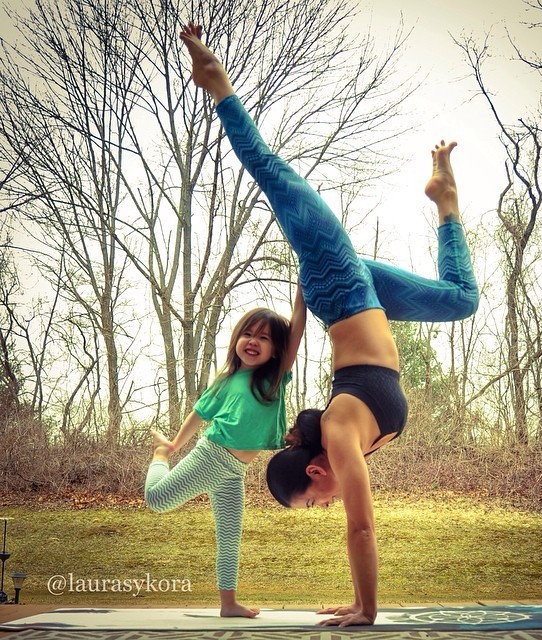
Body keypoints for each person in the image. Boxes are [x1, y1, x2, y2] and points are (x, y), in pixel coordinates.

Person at [179, 22, 479, 627]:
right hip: (354, 293)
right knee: (459, 301)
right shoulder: (346, 438)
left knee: (273, 175)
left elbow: (361, 529)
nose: (324, 507)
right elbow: (360, 521)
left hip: (337, 281)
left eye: (313, 501)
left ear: (317, 471)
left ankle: (220, 90)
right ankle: (445, 199)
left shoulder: (341, 435)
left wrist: (366, 611)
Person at [144, 298, 305, 618]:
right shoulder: (226, 380)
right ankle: (158, 456)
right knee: (156, 498)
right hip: (211, 456)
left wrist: (303, 284)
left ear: (277, 349)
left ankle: (228, 604)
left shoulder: (274, 378)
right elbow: (199, 413)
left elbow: (297, 326)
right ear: (236, 341)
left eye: (264, 337)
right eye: (248, 334)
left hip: (234, 471)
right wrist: (173, 445)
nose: (254, 341)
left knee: (230, 538)